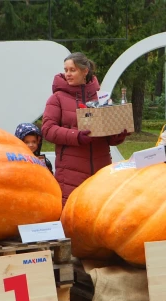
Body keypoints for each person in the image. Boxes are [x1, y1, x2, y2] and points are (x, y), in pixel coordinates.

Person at [42, 52, 129, 206]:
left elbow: (108, 137)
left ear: (85, 71)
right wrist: (76, 136)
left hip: (101, 167)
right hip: (70, 171)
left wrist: (119, 133)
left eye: (72, 70)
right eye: (66, 70)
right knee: (71, 212)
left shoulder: (101, 98)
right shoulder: (57, 98)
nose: (68, 74)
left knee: (99, 212)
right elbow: (48, 129)